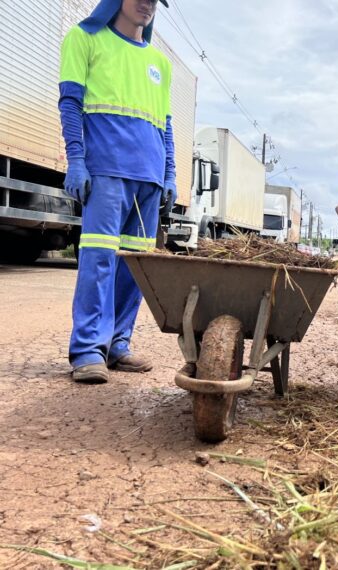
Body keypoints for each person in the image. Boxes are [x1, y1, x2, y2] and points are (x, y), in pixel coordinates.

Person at [59, 0, 176, 383]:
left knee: (134, 268)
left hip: (148, 178)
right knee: (99, 259)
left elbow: (166, 125)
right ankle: (88, 349)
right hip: (107, 170)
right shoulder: (85, 38)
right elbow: (71, 102)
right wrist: (77, 159)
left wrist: (170, 173)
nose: (147, 3)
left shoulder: (161, 62)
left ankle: (117, 344)